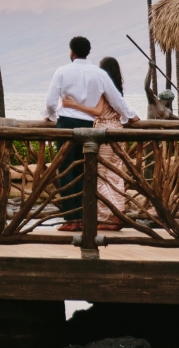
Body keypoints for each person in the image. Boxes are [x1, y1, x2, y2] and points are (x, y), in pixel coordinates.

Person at [45, 37, 137, 229]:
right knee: (82, 171)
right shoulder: (99, 74)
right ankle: (82, 217)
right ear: (88, 52)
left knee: (65, 170)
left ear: (72, 52)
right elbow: (116, 99)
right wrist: (130, 116)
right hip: (89, 128)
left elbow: (51, 101)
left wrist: (51, 116)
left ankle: (71, 219)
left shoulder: (62, 71)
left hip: (67, 125)